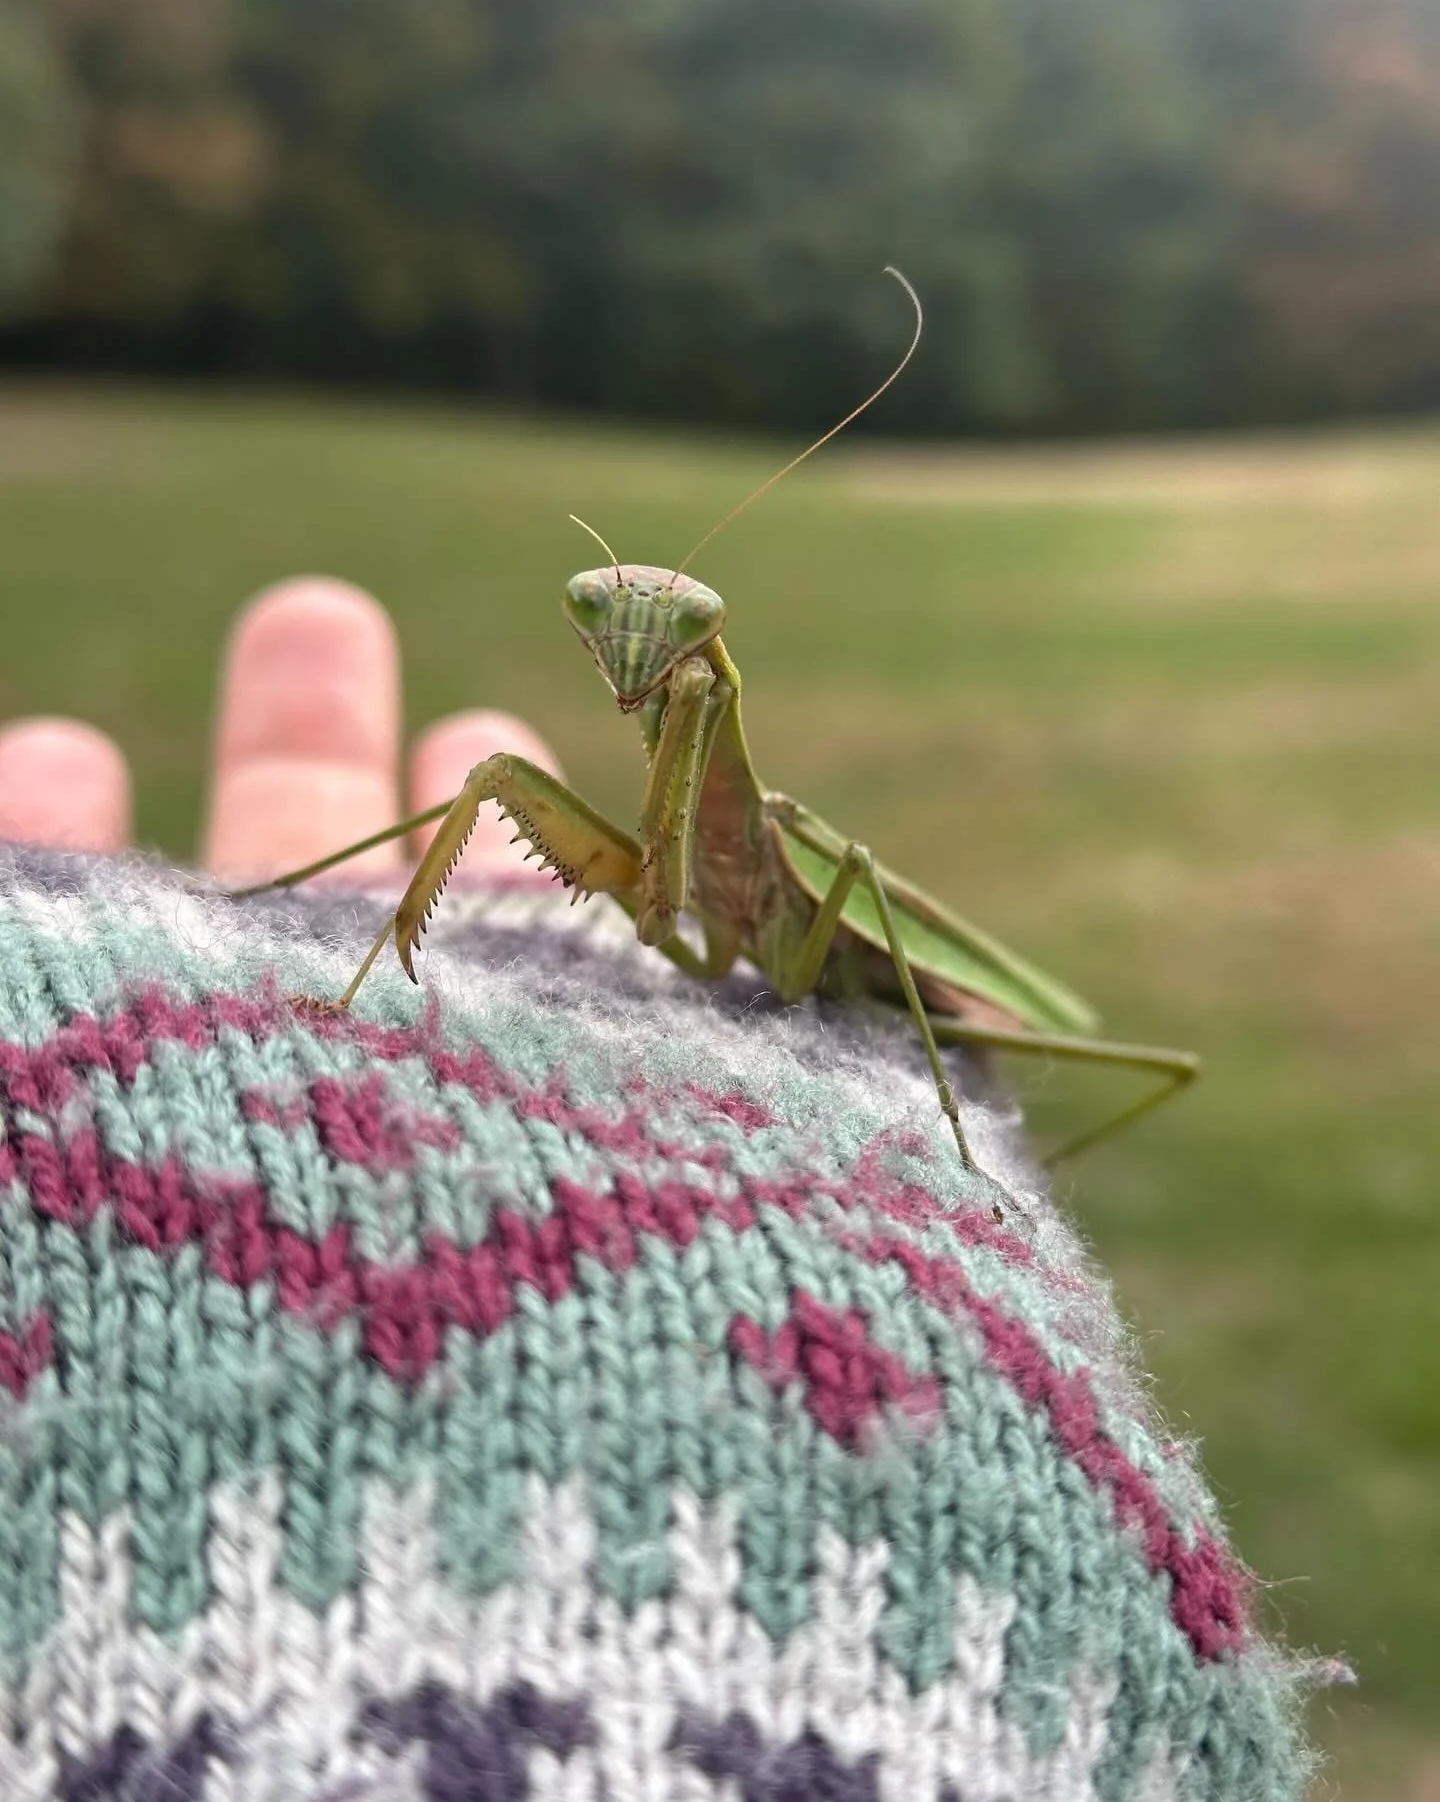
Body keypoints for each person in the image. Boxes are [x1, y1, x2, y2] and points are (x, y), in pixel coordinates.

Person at [0, 580, 1316, 1800]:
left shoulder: (772, 832)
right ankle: (357, 944)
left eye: (658, 639)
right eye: (600, 620)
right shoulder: (680, 799)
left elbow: (735, 908)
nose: (623, 653)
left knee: (1145, 1060)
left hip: (870, 960)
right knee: (495, 782)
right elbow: (653, 891)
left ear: (702, 663)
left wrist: (961, 1181)